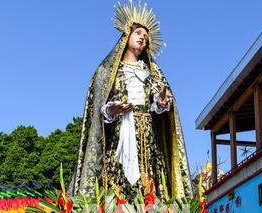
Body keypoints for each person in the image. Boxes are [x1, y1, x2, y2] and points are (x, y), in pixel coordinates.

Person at [69, 0, 193, 200]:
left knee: (150, 179)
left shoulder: (152, 72)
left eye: (146, 37)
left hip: (148, 134)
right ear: (127, 35)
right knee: (119, 179)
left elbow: (160, 101)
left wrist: (161, 102)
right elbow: (99, 109)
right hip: (120, 134)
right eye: (138, 34)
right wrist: (112, 110)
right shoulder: (107, 71)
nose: (142, 38)